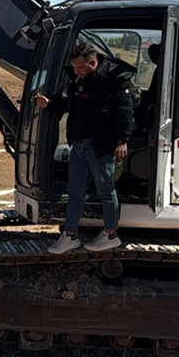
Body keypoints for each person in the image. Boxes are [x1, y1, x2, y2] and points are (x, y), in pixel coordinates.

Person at [35, 40, 135, 253]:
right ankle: (70, 235)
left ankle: (111, 234)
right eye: (74, 67)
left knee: (106, 191)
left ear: (93, 62)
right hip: (79, 144)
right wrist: (50, 104)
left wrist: (122, 140)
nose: (77, 71)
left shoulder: (113, 79)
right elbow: (70, 104)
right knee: (75, 192)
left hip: (100, 146)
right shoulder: (78, 79)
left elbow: (125, 112)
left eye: (80, 67)